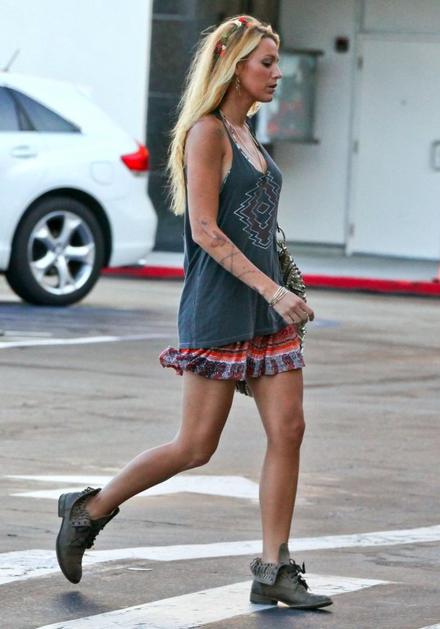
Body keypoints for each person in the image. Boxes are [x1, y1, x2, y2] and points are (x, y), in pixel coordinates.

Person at [55, 14, 333, 610]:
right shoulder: (207, 133)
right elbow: (205, 230)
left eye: (277, 63)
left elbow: (255, 224)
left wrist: (278, 287)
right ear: (233, 66)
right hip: (221, 308)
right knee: (195, 446)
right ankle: (89, 510)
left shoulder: (248, 133)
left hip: (266, 312)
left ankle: (274, 566)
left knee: (289, 430)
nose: (277, 74)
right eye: (266, 63)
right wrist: (274, 290)